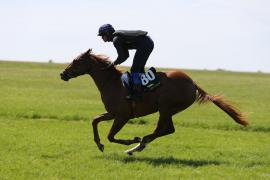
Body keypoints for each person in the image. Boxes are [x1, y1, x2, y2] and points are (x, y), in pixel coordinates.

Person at [98, 24, 154, 100]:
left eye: (102, 35)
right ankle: (144, 88)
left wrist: (113, 64)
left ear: (107, 33)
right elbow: (125, 55)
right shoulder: (117, 38)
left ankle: (138, 94)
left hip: (145, 44)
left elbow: (122, 56)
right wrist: (115, 63)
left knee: (134, 69)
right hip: (147, 43)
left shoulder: (116, 40)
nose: (102, 38)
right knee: (139, 69)